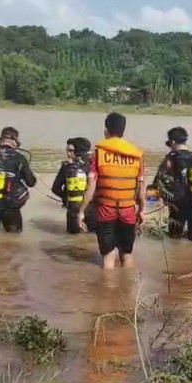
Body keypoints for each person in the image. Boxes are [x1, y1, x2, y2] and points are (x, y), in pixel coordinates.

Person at [78, 112, 145, 269]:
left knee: (108, 256)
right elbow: (141, 189)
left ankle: (108, 290)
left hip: (105, 211)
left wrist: (81, 211)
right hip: (128, 211)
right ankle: (129, 289)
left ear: (106, 131)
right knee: (127, 254)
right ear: (123, 131)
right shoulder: (137, 156)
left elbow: (91, 187)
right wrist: (142, 210)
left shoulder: (98, 154)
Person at [51, 137, 96, 234]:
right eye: (67, 151)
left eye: (71, 151)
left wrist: (66, 197)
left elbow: (55, 188)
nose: (68, 154)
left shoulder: (67, 166)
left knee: (72, 240)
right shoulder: (94, 165)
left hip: (73, 210)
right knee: (91, 240)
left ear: (78, 150)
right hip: (92, 210)